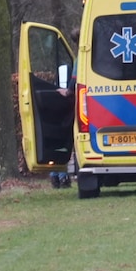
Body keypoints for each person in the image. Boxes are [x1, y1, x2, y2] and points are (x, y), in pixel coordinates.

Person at [50, 28, 80, 189]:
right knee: (67, 139)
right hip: (80, 105)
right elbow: (74, 81)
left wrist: (66, 92)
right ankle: (60, 176)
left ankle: (57, 175)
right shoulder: (84, 57)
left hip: (75, 104)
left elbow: (73, 82)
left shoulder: (79, 58)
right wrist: (69, 91)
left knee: (64, 138)